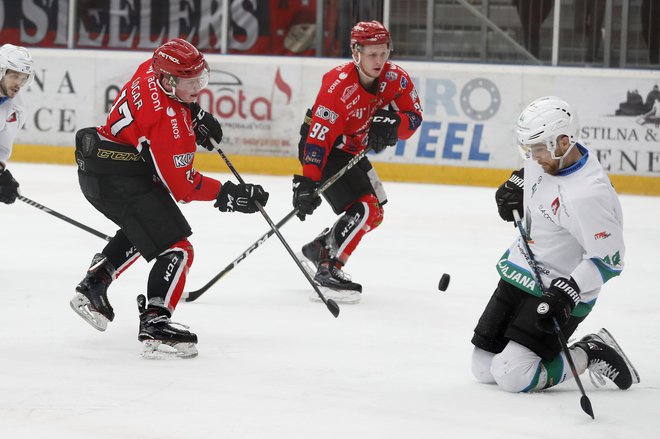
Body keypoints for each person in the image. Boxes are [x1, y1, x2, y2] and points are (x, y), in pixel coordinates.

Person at [70, 38, 269, 359]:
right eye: (189, 82)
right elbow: (183, 187)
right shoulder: (169, 122)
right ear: (168, 79)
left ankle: (95, 282)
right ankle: (156, 322)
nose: (197, 87)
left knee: (145, 228)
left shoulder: (149, 70)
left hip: (101, 170)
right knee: (176, 248)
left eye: (198, 78)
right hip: (120, 181)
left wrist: (195, 112)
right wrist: (231, 195)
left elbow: (171, 105)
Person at [471, 96, 639, 393]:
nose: (532, 156)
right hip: (523, 270)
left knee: (513, 375)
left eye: (536, 149)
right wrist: (514, 188)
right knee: (484, 368)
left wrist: (570, 289)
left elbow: (610, 259)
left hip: (559, 290)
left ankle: (590, 351)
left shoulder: (589, 194)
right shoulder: (547, 157)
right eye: (528, 148)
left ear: (563, 141)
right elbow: (533, 182)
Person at [292, 20, 422, 303]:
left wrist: (393, 124)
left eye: (384, 52)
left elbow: (414, 117)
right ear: (356, 53)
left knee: (373, 212)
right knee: (363, 207)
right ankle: (328, 267)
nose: (379, 60)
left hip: (352, 148)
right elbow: (318, 139)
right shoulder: (337, 87)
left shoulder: (396, 78)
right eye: (371, 54)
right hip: (325, 147)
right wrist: (308, 181)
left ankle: (319, 249)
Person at [0, 44, 34, 205]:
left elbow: (2, 147)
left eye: (23, 78)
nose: (18, 84)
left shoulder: (17, 107)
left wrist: (1, 175)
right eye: (14, 76)